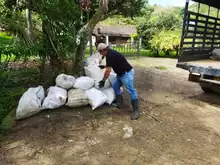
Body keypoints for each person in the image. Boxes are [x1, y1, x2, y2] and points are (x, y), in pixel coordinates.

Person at [97, 43, 140, 120]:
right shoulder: (110, 53)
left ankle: (136, 111)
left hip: (126, 74)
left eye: (100, 52)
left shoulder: (110, 55)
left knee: (131, 91)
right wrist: (104, 66)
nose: (100, 54)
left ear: (103, 50)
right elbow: (113, 63)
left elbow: (107, 72)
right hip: (120, 74)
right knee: (115, 86)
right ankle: (119, 103)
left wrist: (103, 81)